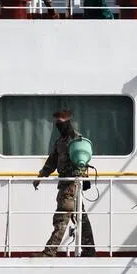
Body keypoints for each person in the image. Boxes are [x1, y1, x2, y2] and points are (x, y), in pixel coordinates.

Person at [33, 110, 95, 256]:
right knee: (81, 217)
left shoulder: (77, 139)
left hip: (72, 184)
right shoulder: (60, 141)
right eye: (56, 123)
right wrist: (41, 176)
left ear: (68, 122)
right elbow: (52, 161)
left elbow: (82, 158)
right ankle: (90, 250)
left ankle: (50, 252)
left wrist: (83, 176)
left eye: (60, 122)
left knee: (62, 216)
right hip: (66, 183)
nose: (58, 125)